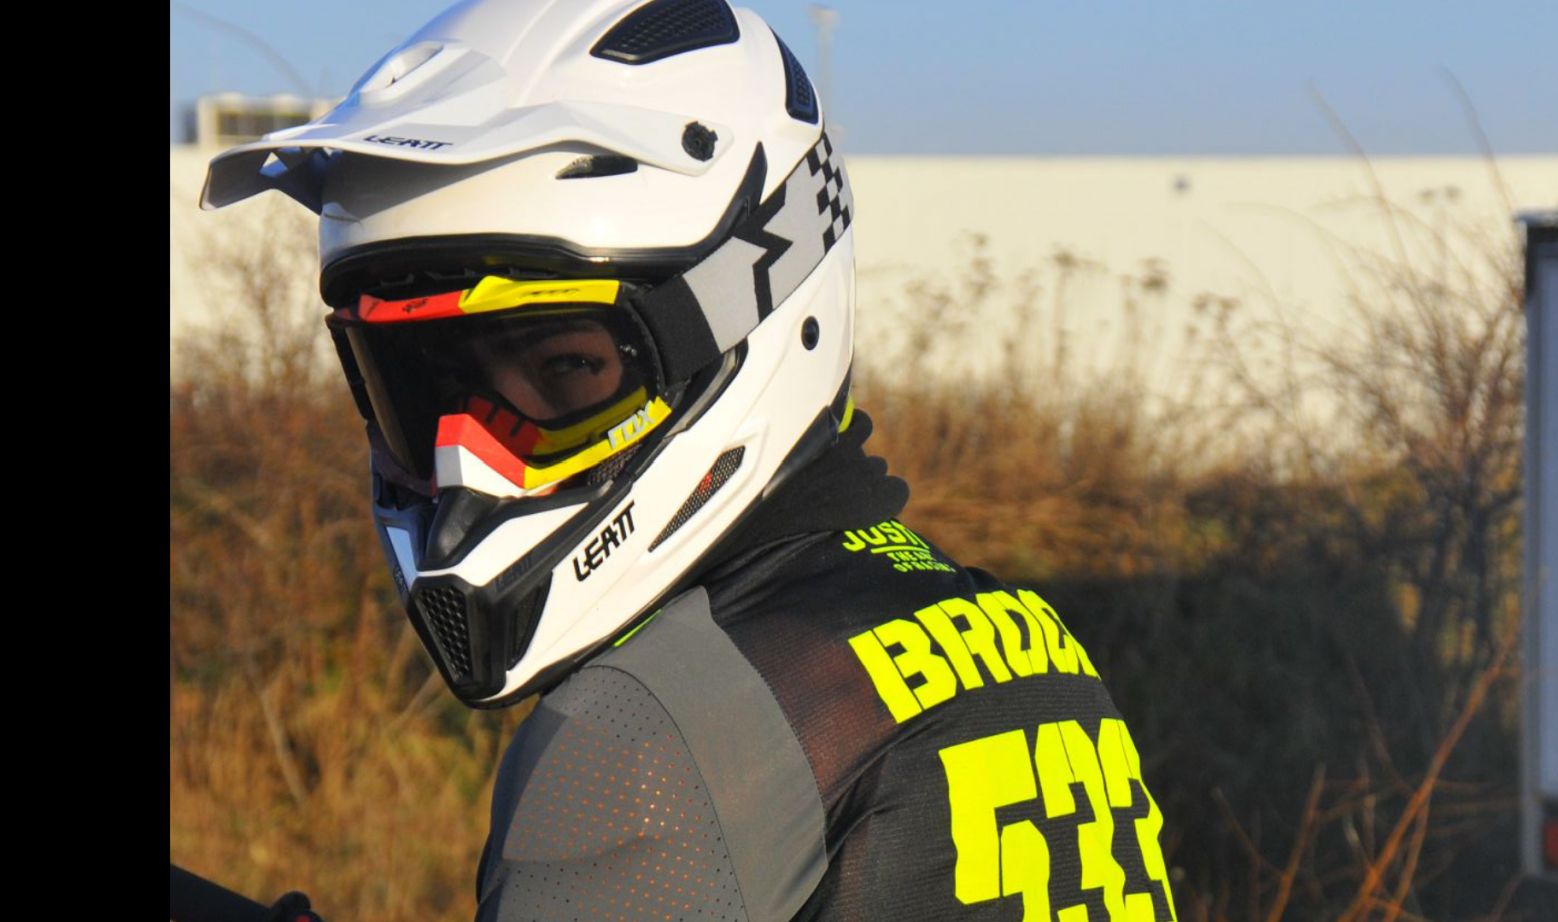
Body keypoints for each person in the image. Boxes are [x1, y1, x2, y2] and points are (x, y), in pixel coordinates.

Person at [201, 1, 1177, 919]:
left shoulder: (642, 736)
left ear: (748, 304)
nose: (469, 464)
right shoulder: (1027, 641)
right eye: (418, 385)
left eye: (565, 369)